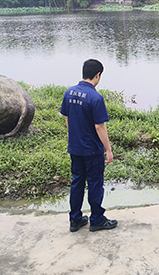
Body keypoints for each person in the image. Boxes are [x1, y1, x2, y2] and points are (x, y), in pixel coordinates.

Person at [60, 59, 118, 232]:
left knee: (77, 182)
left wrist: (74, 138)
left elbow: (67, 118)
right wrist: (108, 149)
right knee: (94, 183)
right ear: (97, 75)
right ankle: (97, 219)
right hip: (92, 150)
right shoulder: (95, 97)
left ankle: (75, 219)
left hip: (75, 148)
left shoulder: (69, 93)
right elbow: (99, 126)